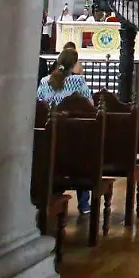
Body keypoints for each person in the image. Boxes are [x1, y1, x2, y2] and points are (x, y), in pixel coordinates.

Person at [36, 45, 94, 214]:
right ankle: (84, 203)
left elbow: (39, 105)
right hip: (73, 138)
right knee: (83, 153)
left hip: (50, 137)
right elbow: (90, 105)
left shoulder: (45, 81)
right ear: (74, 65)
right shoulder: (78, 82)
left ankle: (51, 193)